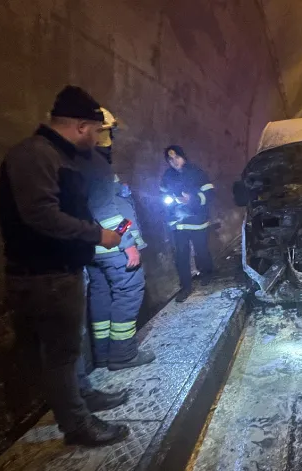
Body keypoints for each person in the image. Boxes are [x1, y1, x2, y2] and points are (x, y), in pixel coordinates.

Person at [0, 86, 130, 447]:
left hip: (63, 270)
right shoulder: (35, 155)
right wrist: (96, 235)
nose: (100, 140)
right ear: (83, 126)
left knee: (71, 346)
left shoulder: (61, 156)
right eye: (98, 132)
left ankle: (82, 397)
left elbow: (87, 191)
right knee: (60, 354)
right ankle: (76, 426)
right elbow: (41, 215)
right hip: (43, 274)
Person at [79, 107, 156, 370]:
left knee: (101, 294)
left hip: (91, 248)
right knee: (128, 291)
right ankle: (123, 354)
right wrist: (129, 244)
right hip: (113, 247)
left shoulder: (75, 163)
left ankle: (102, 354)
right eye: (109, 133)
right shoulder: (96, 164)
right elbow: (108, 213)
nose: (111, 139)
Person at [161, 145, 215, 302]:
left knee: (201, 250)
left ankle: (207, 273)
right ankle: (186, 286)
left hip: (197, 221)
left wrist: (191, 200)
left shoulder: (197, 172)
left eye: (177, 157)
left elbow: (209, 194)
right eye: (170, 159)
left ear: (183, 157)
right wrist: (168, 204)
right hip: (178, 223)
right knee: (181, 255)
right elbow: (162, 195)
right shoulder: (167, 176)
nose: (174, 162)